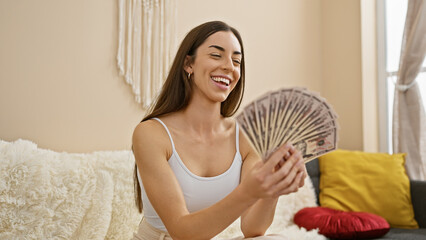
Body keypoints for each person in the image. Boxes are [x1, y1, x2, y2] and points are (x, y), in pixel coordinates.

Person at [132, 21, 307, 240]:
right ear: (189, 64)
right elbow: (182, 231)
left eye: (236, 61)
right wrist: (249, 192)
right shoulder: (151, 133)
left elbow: (252, 229)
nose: (229, 67)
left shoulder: (245, 137)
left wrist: (273, 188)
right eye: (216, 56)